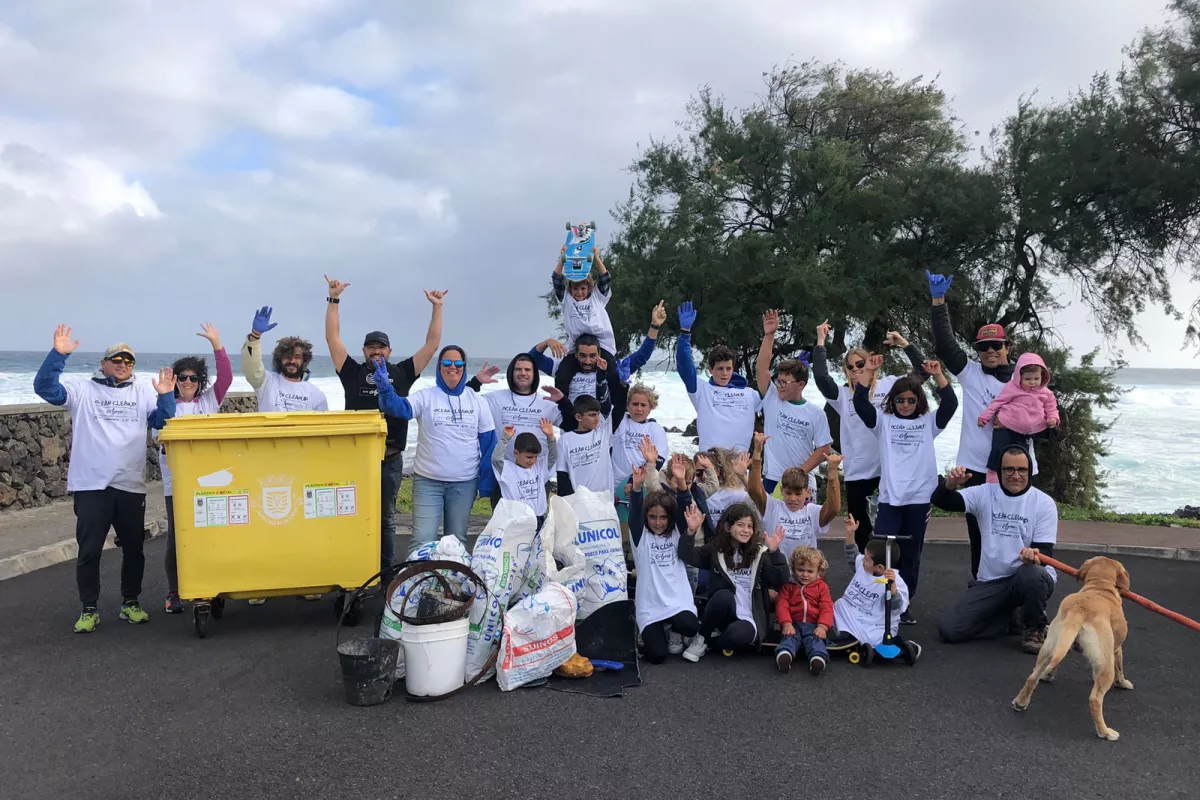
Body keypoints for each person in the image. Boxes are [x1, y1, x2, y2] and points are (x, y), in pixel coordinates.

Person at [34, 327, 177, 633]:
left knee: (134, 549)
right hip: (91, 486)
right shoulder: (82, 389)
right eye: (117, 359)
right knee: (89, 552)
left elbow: (162, 422)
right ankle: (89, 608)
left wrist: (166, 397)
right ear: (104, 363)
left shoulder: (142, 392)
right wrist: (58, 355)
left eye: (129, 361)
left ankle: (130, 603)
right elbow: (45, 388)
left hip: (129, 484)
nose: (123, 364)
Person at [926, 269, 1046, 577]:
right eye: (983, 347)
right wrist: (938, 301)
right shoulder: (971, 374)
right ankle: (981, 586)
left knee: (1022, 534)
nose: (990, 351)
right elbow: (946, 344)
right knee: (980, 535)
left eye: (996, 345)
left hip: (1018, 468)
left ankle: (1021, 591)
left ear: (1008, 347)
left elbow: (1047, 421)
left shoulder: (1027, 379)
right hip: (976, 470)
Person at [324, 276, 446, 570]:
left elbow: (432, 345)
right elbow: (332, 339)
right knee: (354, 515)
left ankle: (387, 571)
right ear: (364, 351)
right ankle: (357, 569)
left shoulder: (402, 372)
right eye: (371, 347)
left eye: (381, 347)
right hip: (356, 458)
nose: (376, 351)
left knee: (386, 519)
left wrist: (437, 307)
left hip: (390, 460)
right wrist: (334, 299)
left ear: (389, 351)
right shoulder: (351, 372)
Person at [853, 361, 957, 625]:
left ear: (919, 401)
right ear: (893, 400)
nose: (906, 405)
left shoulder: (928, 422)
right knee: (881, 551)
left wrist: (938, 374)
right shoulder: (883, 422)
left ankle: (903, 601)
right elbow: (860, 403)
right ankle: (877, 598)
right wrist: (868, 372)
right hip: (890, 498)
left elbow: (950, 404)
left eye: (911, 400)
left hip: (920, 499)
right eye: (900, 400)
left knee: (911, 553)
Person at [811, 321, 930, 550]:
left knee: (894, 527)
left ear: (870, 363)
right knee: (859, 528)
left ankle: (895, 565)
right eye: (850, 366)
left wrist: (904, 344)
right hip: (858, 470)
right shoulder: (842, 395)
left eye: (860, 364)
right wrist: (821, 341)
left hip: (888, 467)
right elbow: (821, 376)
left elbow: (922, 371)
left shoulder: (890, 385)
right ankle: (863, 566)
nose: (856, 369)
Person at [933, 446, 1059, 653]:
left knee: (1032, 574)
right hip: (991, 581)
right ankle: (1006, 619)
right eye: (1009, 469)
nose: (1015, 475)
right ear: (999, 471)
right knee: (950, 630)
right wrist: (950, 485)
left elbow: (1045, 553)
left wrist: (1034, 557)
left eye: (1022, 470)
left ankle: (1035, 627)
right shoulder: (984, 493)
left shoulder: (1044, 503)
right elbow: (942, 501)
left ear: (1029, 471)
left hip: (1026, 579)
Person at [375, 346, 497, 556]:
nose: (452, 367)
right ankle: (418, 576)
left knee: (457, 541)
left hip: (464, 483)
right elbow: (398, 408)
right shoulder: (426, 396)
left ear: (464, 367)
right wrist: (385, 388)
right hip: (428, 482)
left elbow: (489, 444)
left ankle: (452, 577)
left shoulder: (478, 401)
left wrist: (486, 484)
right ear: (439, 367)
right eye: (447, 363)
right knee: (422, 540)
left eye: (458, 363)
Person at [160, 323, 233, 614]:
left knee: (211, 536)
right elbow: (160, 432)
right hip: (176, 485)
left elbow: (226, 378)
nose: (188, 382)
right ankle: (175, 591)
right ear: (176, 380)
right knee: (177, 539)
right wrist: (165, 395)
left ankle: (213, 587)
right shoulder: (166, 406)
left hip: (210, 484)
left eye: (193, 377)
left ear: (200, 381)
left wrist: (217, 345)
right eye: (183, 377)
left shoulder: (209, 401)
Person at [678, 501, 788, 662]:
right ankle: (702, 636)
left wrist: (775, 553)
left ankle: (710, 642)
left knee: (738, 636)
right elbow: (687, 555)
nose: (746, 530)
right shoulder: (716, 550)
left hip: (750, 617)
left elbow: (781, 580)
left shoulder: (761, 553)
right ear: (727, 527)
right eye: (740, 525)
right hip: (725, 612)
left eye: (749, 526)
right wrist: (691, 531)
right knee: (723, 596)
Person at [531, 300, 665, 425]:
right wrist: (547, 342)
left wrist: (655, 326)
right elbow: (533, 359)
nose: (588, 361)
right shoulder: (562, 368)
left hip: (604, 431)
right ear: (575, 354)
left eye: (592, 356)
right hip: (573, 430)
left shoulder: (615, 369)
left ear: (599, 354)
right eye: (582, 356)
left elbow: (642, 356)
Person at [465, 353, 564, 508]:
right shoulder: (494, 399)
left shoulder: (547, 403)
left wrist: (563, 401)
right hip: (504, 475)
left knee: (535, 520)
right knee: (504, 521)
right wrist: (476, 382)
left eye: (527, 369)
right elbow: (463, 402)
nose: (523, 373)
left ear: (534, 374)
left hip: (536, 475)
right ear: (511, 372)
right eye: (518, 369)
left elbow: (574, 423)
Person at [627, 464, 701, 663]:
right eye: (652, 517)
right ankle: (651, 630)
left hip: (677, 601)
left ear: (670, 518)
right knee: (657, 656)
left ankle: (672, 627)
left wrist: (682, 483)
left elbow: (685, 506)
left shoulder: (677, 531)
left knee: (689, 625)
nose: (658, 522)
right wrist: (637, 488)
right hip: (650, 606)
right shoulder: (640, 535)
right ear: (646, 517)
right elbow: (634, 513)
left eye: (663, 517)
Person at [755, 311, 832, 492]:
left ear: (800, 385)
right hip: (772, 479)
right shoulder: (772, 398)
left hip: (802, 483)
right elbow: (761, 368)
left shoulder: (816, 413)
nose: (779, 386)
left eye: (785, 382)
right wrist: (769, 335)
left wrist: (799, 472)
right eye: (778, 381)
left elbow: (824, 448)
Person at [675, 301, 762, 452]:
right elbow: (684, 366)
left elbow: (776, 404)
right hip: (709, 460)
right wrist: (685, 333)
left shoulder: (750, 394)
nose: (725, 373)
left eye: (728, 368)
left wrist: (799, 371)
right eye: (720, 369)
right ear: (710, 369)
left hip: (738, 463)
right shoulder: (702, 390)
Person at [831, 514, 919, 660]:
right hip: (852, 611)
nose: (863, 560)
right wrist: (850, 533)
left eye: (866, 559)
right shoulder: (864, 567)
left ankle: (901, 646)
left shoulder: (896, 581)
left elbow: (897, 608)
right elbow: (852, 555)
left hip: (874, 623)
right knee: (836, 606)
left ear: (879, 568)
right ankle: (853, 638)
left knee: (875, 639)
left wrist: (893, 591)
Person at [747, 434, 842, 562]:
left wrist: (833, 473)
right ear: (781, 491)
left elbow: (833, 508)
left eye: (798, 494)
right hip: (777, 569)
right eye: (788, 493)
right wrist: (757, 451)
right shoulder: (772, 507)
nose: (793, 499)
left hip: (804, 570)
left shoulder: (813, 512)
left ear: (807, 492)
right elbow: (754, 490)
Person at [977, 353, 1060, 483]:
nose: (1032, 382)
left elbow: (1052, 408)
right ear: (1019, 377)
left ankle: (1020, 482)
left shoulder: (1046, 393)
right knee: (998, 450)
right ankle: (993, 475)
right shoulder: (1012, 387)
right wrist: (984, 417)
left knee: (1021, 457)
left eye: (1036, 378)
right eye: (1028, 379)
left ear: (1042, 376)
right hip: (1005, 426)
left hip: (1025, 432)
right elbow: (998, 402)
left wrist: (1053, 419)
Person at [242, 306, 328, 412]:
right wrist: (255, 335)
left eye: (297, 357)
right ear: (280, 359)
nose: (292, 361)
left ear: (304, 360)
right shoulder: (266, 382)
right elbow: (251, 366)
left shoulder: (317, 395)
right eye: (288, 357)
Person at [774, 546, 834, 676]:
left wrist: (823, 626)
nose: (805, 575)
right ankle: (784, 655)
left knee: (815, 640)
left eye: (810, 571)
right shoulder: (788, 587)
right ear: (793, 568)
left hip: (814, 625)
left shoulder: (821, 587)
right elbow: (782, 606)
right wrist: (786, 623)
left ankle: (817, 659)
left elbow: (827, 607)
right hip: (793, 624)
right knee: (789, 638)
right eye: (800, 570)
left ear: (818, 571)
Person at [492, 421, 557, 527]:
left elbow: (553, 457)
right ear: (516, 453)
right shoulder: (507, 470)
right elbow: (496, 459)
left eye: (536, 457)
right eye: (529, 457)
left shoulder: (540, 467)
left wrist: (550, 436)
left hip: (538, 518)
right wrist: (504, 439)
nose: (533, 460)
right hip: (516, 520)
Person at [555, 395, 613, 496]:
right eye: (592, 415)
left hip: (604, 500)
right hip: (579, 500)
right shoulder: (565, 440)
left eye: (598, 414)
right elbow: (562, 474)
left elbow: (617, 409)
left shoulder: (603, 433)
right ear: (578, 417)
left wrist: (623, 387)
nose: (597, 418)